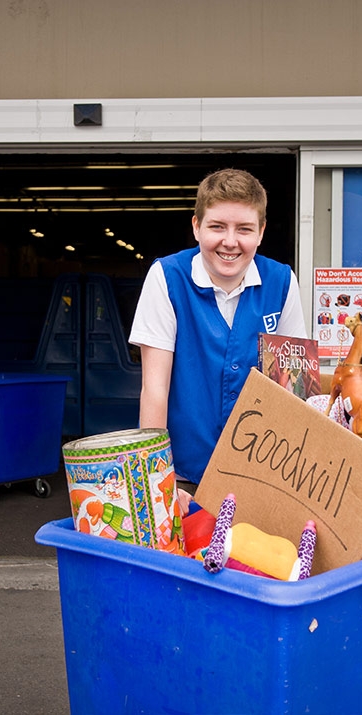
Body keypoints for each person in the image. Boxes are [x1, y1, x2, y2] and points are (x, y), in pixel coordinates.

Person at [129, 168, 308, 494]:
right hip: (183, 476)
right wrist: (159, 482)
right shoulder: (166, 278)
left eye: (244, 229)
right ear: (196, 227)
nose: (230, 241)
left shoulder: (282, 282)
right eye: (217, 227)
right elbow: (154, 390)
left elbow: (292, 389)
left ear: (261, 232)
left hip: (259, 476)